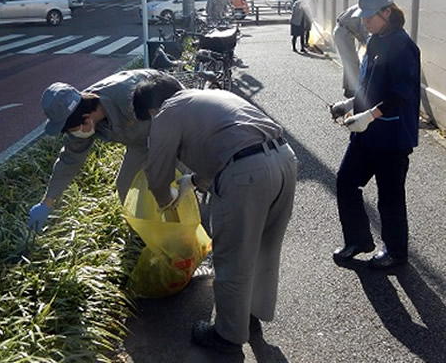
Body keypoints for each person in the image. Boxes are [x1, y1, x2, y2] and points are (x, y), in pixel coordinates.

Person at [132, 85, 297, 354]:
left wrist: (166, 203)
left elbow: (157, 173)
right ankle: (251, 313)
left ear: (152, 109)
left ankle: (228, 336)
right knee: (266, 247)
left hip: (248, 176)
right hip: (285, 161)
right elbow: (228, 147)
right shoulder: (206, 98)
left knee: (233, 257)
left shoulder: (166, 113)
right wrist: (193, 181)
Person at [330, 0, 421, 270]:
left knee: (390, 197)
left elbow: (400, 95)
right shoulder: (374, 41)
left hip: (392, 137)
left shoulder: (404, 47)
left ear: (387, 12)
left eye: (370, 16)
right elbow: (367, 83)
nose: (365, 21)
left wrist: (368, 115)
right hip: (366, 133)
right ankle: (358, 240)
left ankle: (396, 253)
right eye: (364, 15)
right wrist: (348, 106)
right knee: (346, 182)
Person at [27, 70, 183, 232]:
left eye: (73, 129)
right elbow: (69, 161)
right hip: (140, 140)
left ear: (87, 117)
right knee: (126, 185)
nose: (74, 134)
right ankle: (143, 233)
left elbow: (175, 113)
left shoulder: (128, 96)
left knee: (180, 179)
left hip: (175, 126)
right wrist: (47, 203)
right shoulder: (79, 120)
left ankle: (192, 226)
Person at [333, 4, 368, 98]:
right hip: (344, 33)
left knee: (348, 62)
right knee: (352, 62)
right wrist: (368, 44)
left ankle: (348, 88)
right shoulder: (365, 9)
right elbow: (363, 30)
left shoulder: (361, 5)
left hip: (343, 31)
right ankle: (353, 90)